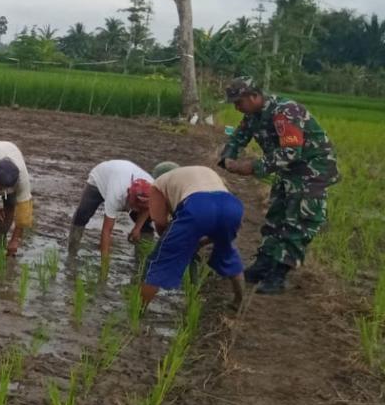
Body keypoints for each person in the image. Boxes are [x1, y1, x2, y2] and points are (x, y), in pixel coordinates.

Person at [220, 76, 339, 294]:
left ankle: (279, 273)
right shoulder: (253, 115)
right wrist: (227, 158)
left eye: (239, 102)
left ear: (254, 96)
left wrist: (253, 167)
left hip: (310, 171)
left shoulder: (284, 112)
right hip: (288, 171)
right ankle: (264, 264)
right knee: (276, 216)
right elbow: (239, 136)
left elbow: (292, 152)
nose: (237, 108)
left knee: (298, 221)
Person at [140, 163, 246, 310]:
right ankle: (239, 301)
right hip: (232, 206)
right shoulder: (201, 172)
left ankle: (139, 309)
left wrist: (174, 244)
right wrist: (198, 243)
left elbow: (159, 222)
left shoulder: (158, 184)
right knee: (227, 252)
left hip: (198, 206)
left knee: (159, 261)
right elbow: (224, 221)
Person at [67, 159, 153, 260]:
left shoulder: (154, 189)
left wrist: (137, 228)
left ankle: (142, 261)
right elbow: (107, 230)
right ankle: (71, 252)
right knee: (82, 214)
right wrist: (105, 264)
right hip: (100, 179)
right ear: (129, 195)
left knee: (146, 225)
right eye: (136, 206)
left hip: (123, 176)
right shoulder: (116, 194)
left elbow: (147, 208)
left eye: (140, 207)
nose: (138, 209)